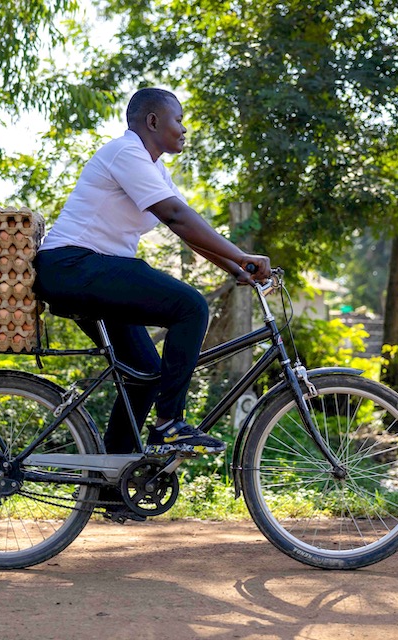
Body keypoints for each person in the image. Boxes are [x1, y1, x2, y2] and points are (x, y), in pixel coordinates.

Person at [34, 87, 270, 462]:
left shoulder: (153, 168)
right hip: (72, 266)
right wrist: (243, 255)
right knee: (190, 307)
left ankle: (109, 479)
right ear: (153, 121)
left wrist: (237, 267)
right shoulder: (126, 152)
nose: (184, 129)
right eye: (178, 120)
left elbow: (189, 230)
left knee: (145, 372)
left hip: (90, 274)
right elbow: (175, 217)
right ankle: (169, 424)